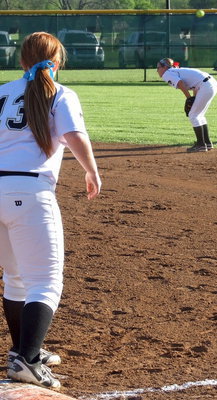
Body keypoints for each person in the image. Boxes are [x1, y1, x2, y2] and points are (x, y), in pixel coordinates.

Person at [0, 32, 101, 389]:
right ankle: (27, 360)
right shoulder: (60, 93)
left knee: (15, 280)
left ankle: (22, 351)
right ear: (56, 62)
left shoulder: (1, 90)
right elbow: (74, 135)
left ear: (21, 60)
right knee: (45, 282)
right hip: (30, 191)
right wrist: (91, 170)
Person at [157, 58, 217, 152]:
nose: (157, 70)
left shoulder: (167, 73)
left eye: (158, 67)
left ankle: (201, 144)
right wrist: (193, 98)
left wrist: (189, 98)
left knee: (193, 115)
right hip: (210, 84)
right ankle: (207, 143)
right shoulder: (176, 70)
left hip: (205, 86)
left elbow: (180, 83)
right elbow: (195, 84)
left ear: (165, 67)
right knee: (199, 115)